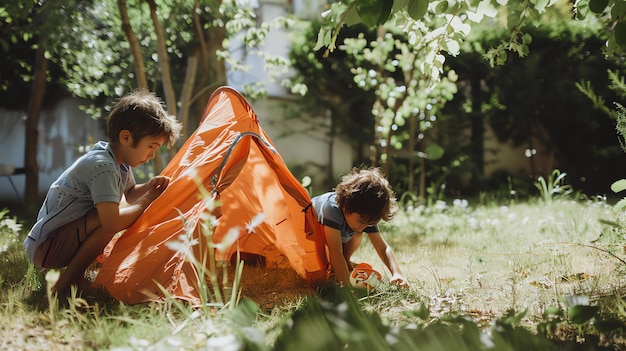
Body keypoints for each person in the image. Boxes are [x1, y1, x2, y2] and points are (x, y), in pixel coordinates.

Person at [24, 90, 182, 298]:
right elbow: (111, 223)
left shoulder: (117, 162)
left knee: (117, 213)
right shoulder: (103, 166)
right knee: (110, 220)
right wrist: (146, 201)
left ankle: (74, 281)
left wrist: (149, 187)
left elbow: (130, 193)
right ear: (126, 137)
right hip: (47, 247)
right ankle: (65, 286)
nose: (152, 155)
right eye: (151, 147)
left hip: (56, 241)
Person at [311, 167, 409, 288]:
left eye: (368, 224)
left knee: (357, 233)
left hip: (338, 238)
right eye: (362, 221)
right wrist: (347, 288)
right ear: (347, 206)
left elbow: (383, 248)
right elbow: (335, 252)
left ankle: (345, 263)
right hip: (314, 238)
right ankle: (339, 268)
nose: (363, 227)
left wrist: (397, 273)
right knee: (334, 259)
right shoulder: (330, 209)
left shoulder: (364, 215)